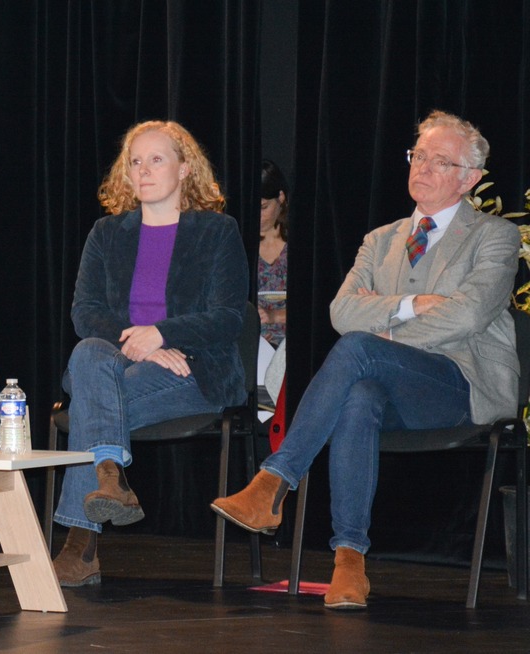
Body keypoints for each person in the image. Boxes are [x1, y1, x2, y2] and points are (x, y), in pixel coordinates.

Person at [212, 111, 519, 610]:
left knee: (360, 349)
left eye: (439, 161)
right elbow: (341, 310)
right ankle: (349, 561)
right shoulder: (381, 239)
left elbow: (466, 318)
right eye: (418, 155)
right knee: (358, 394)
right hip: (397, 390)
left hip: (461, 384)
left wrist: (383, 333)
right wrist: (411, 304)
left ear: (469, 179)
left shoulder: (494, 237)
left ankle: (274, 482)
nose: (422, 167)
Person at [52, 121, 249, 587]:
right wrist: (137, 341)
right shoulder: (106, 233)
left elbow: (228, 317)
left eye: (156, 159)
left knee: (89, 405)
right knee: (87, 351)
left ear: (185, 169)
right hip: (119, 362)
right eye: (134, 161)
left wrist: (161, 335)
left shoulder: (217, 232)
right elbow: (85, 314)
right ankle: (108, 476)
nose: (143, 170)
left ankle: (81, 543)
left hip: (192, 371)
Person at [259, 159, 289, 348]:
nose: (258, 216)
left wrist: (272, 316)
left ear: (281, 197)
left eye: (263, 208)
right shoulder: (237, 240)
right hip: (251, 342)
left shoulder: (301, 245)